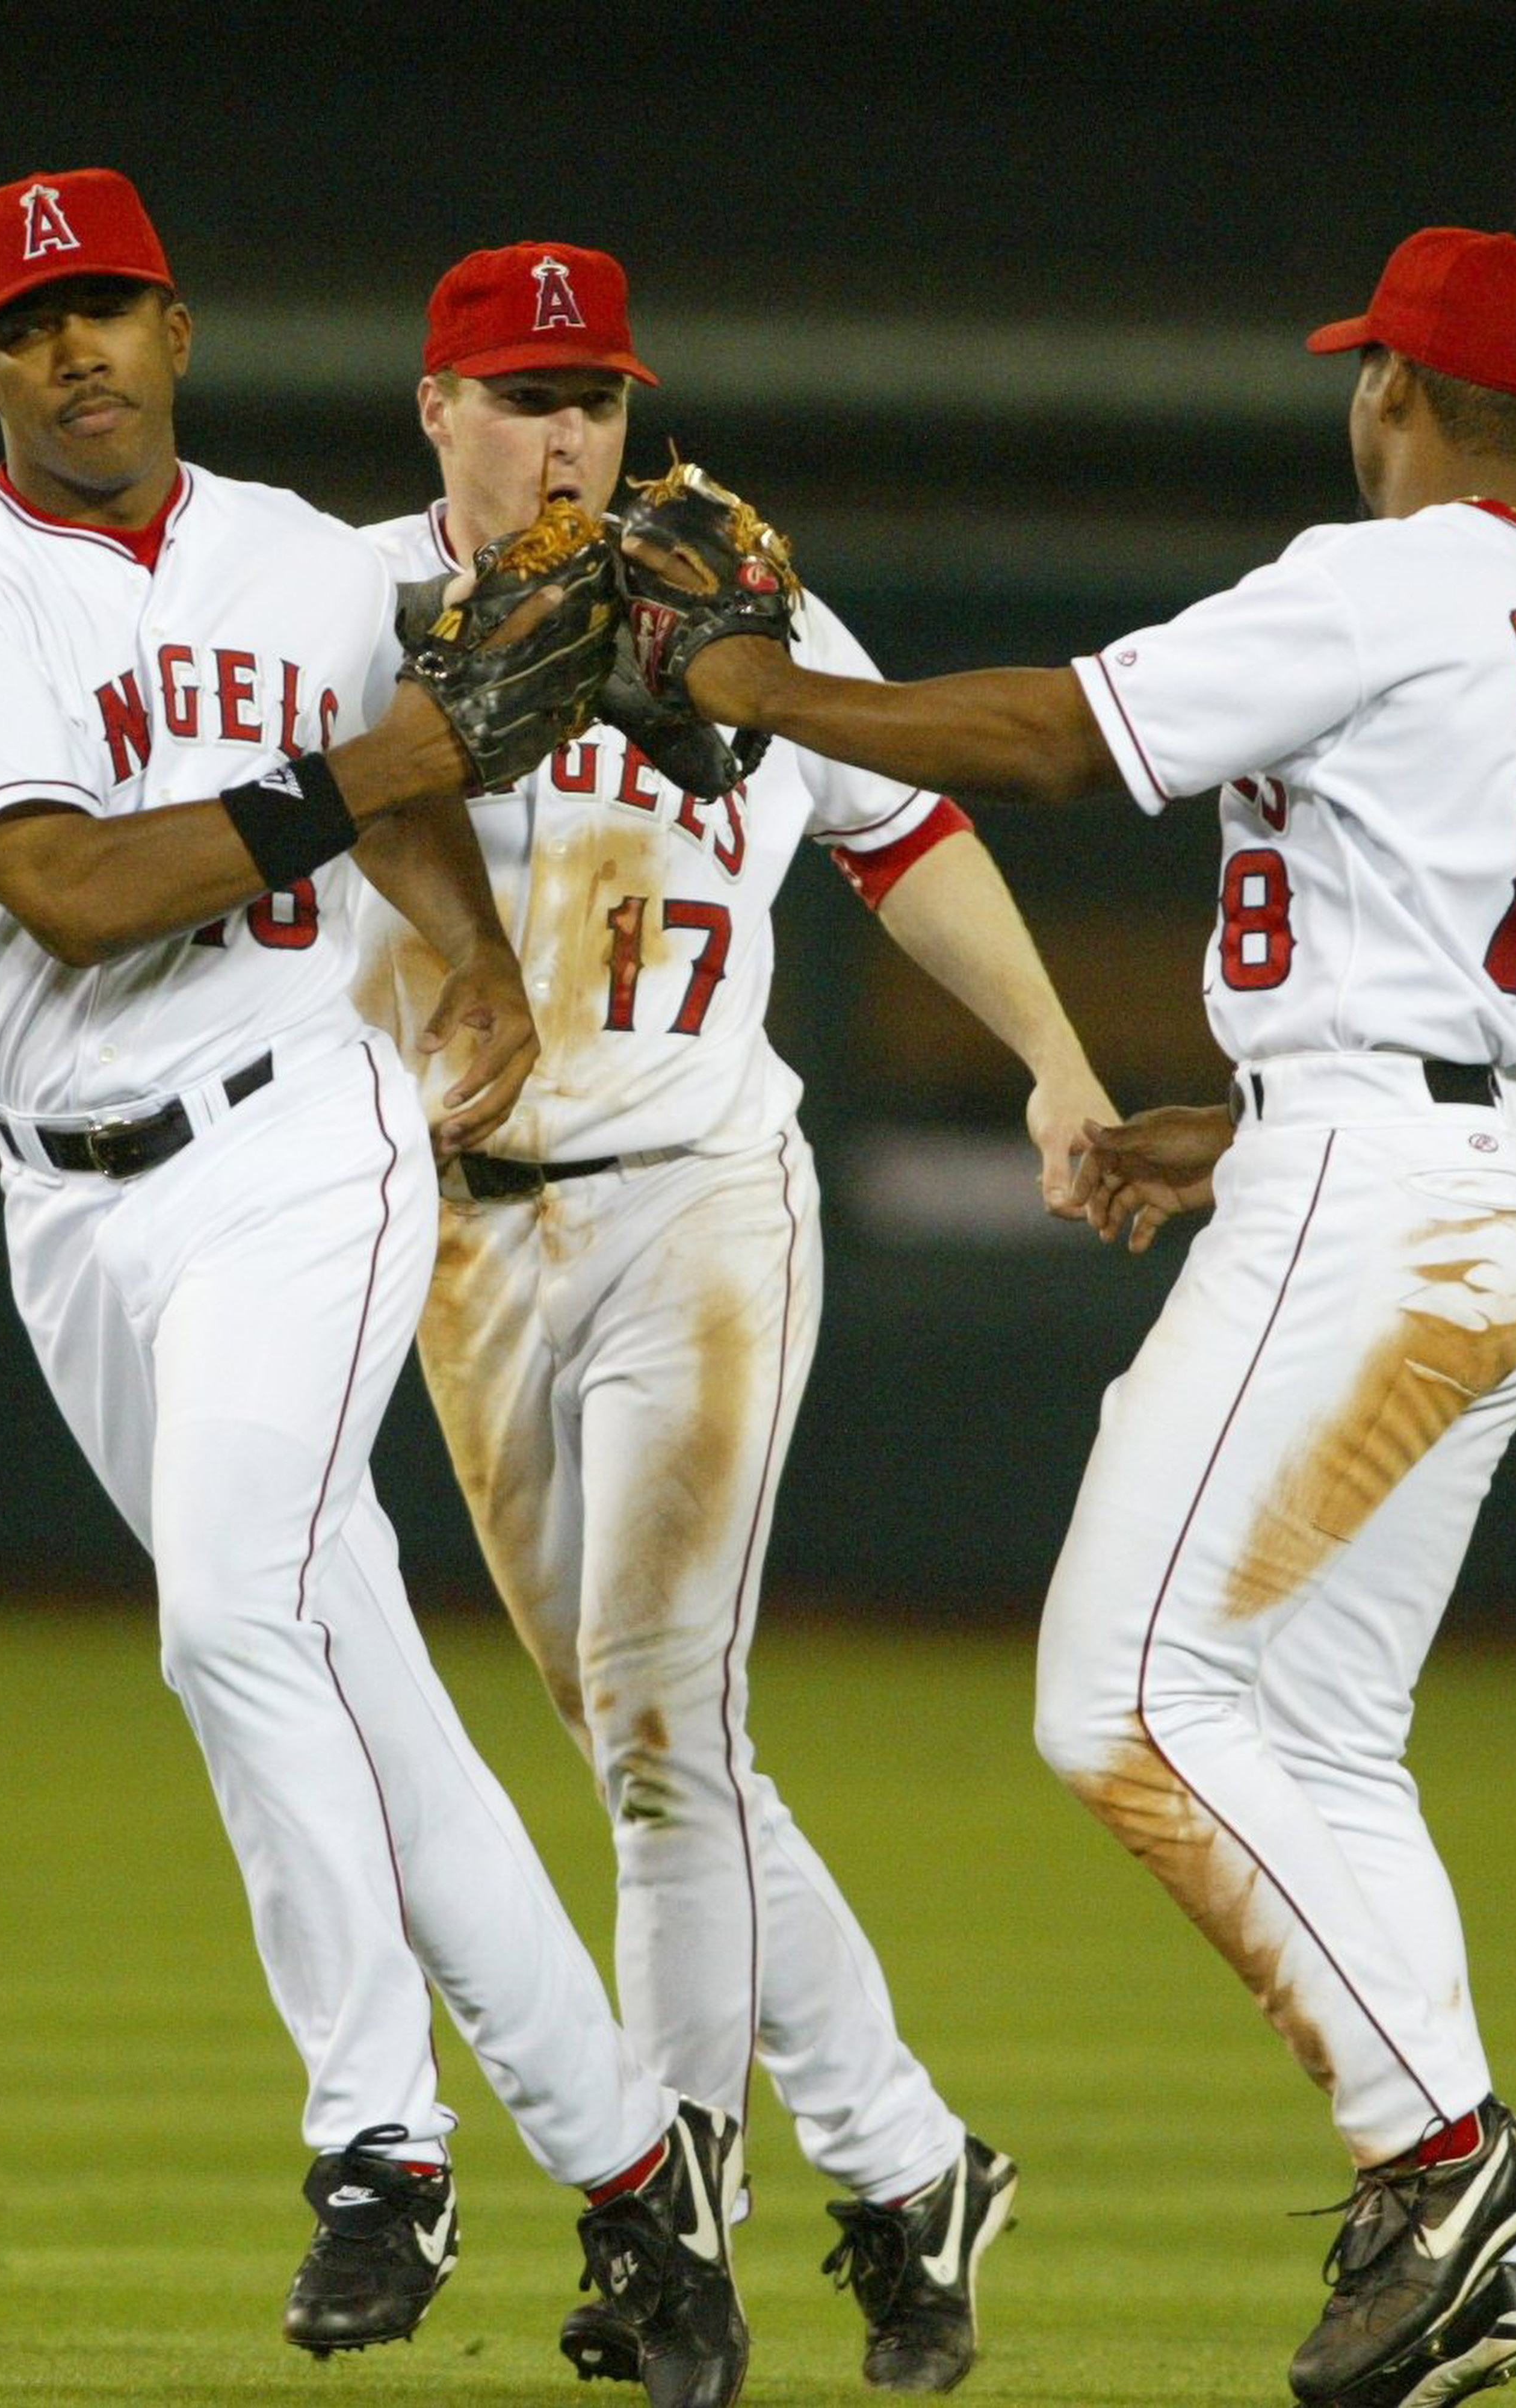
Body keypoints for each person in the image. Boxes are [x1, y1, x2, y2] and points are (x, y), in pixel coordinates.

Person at [647, 228, 1516, 2408]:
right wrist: (1241, 1119)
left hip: (1390, 1202)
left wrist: (770, 699)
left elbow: (1045, 736)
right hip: (1502, 1190)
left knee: (1119, 1693)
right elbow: (1449, 982)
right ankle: (1456, 2225)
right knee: (1321, 1740)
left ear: (1398, 384)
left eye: (1367, 367)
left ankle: (1449, 2157)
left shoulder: (1389, 574)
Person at [0, 169, 749, 2408]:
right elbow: (61, 891)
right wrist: (380, 776)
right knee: (376, 1713)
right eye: (36, 323)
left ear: (177, 324)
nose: (83, 351)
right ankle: (642, 2198)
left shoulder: (295, 559)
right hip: (73, 1212)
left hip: (300, 1136)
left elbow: (405, 800)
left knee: (229, 1616)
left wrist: (468, 965)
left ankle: (379, 2149)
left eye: (116, 307)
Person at [351, 239, 1115, 2393]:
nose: (562, 428)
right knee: (647, 1746)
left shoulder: (720, 593)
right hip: (465, 1246)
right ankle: (908, 2159)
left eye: (590, 388)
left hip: (698, 1208)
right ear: (432, 409)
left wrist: (1057, 1060)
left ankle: (664, 2214)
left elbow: (904, 825)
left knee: (668, 1746)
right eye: (515, 391)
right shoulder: (338, 603)